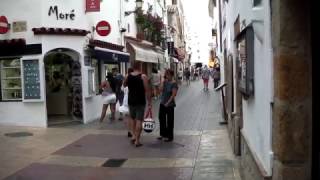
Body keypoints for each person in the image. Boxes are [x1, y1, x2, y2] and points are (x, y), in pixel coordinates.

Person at [124, 63, 151, 147]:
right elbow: (147, 90)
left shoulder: (128, 76)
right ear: (140, 67)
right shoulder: (143, 77)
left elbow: (124, 85)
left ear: (132, 67)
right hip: (140, 101)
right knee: (139, 120)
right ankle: (137, 141)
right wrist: (149, 102)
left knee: (132, 119)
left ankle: (133, 136)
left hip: (131, 100)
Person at [158, 69, 178, 142]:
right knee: (161, 119)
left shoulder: (174, 83)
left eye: (168, 74)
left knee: (170, 120)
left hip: (170, 105)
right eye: (166, 74)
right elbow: (160, 90)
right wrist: (163, 82)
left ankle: (170, 136)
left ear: (171, 75)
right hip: (162, 103)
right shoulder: (165, 82)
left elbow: (173, 95)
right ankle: (163, 134)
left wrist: (168, 103)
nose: (167, 76)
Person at [119, 68, 134, 138]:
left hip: (126, 100)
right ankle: (131, 130)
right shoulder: (133, 78)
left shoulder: (125, 79)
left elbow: (122, 89)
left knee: (128, 116)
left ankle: (129, 130)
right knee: (132, 116)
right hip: (132, 99)